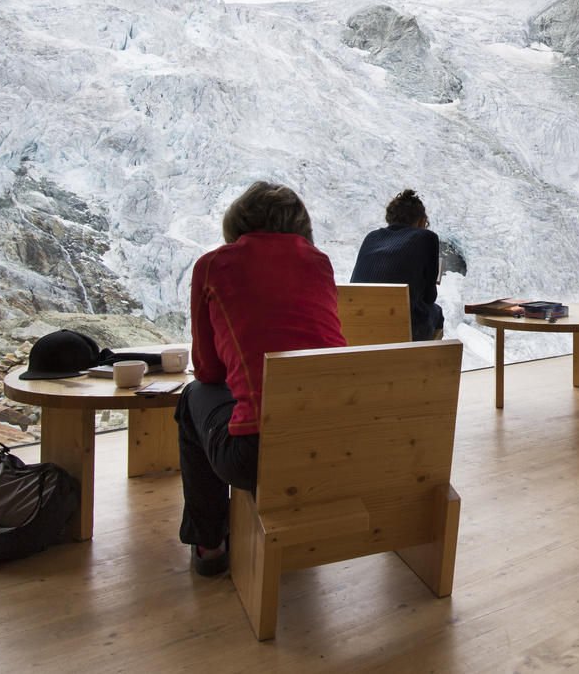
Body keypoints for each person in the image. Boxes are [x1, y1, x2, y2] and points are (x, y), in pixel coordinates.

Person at [175, 181, 346, 576]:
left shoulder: (213, 265)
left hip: (258, 456)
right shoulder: (319, 262)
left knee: (194, 397)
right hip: (338, 442)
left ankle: (209, 544)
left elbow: (208, 371)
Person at [349, 189, 445, 341]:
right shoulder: (426, 237)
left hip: (358, 324)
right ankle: (420, 362)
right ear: (421, 221)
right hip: (401, 329)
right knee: (437, 313)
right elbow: (429, 297)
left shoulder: (371, 237)